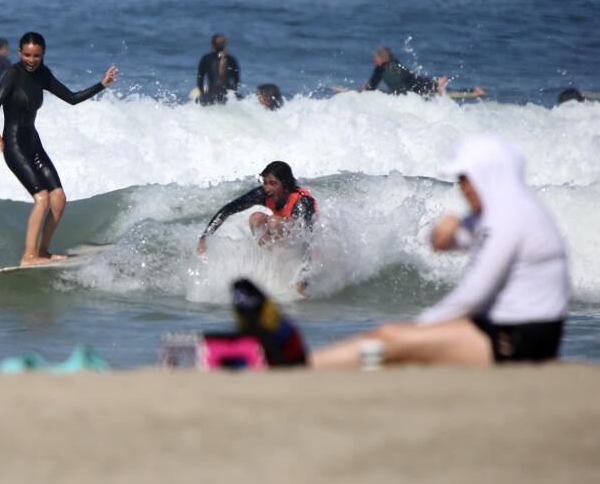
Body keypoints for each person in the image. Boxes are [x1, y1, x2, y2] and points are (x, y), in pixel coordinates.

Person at [311, 135, 569, 368]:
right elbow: (440, 243)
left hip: (519, 340)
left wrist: (417, 330)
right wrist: (443, 230)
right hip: (503, 329)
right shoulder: (503, 211)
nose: (463, 189)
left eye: (467, 179)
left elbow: (474, 294)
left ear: (488, 175)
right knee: (394, 340)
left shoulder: (510, 216)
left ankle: (306, 368)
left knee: (392, 339)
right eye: (460, 181)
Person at [0, 31, 119, 265]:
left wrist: (102, 84)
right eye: (27, 55)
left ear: (43, 55)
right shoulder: (13, 74)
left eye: (36, 55)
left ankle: (43, 251)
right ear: (20, 53)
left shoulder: (42, 75)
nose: (31, 60)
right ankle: (28, 256)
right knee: (42, 198)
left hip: (33, 142)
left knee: (58, 197)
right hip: (15, 144)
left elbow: (71, 97)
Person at [197, 161, 316, 254]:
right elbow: (229, 209)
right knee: (256, 218)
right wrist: (205, 236)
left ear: (285, 185)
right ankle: (269, 259)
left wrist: (303, 280)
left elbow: (308, 241)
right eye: (265, 183)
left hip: (309, 243)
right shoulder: (263, 194)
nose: (267, 188)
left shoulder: (302, 202)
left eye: (273, 184)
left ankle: (285, 262)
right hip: (285, 236)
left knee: (274, 222)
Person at [363, 46, 485, 98]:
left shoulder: (382, 69)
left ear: (381, 59)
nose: (373, 61)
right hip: (415, 82)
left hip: (414, 86)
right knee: (432, 87)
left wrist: (364, 90)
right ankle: (472, 90)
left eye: (375, 59)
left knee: (434, 89)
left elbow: (371, 86)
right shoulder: (393, 64)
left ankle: (471, 90)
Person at [196, 33, 240, 105]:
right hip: (228, 97)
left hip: (211, 95)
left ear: (212, 45)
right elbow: (237, 80)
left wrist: (202, 94)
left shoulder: (206, 58)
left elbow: (200, 78)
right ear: (225, 45)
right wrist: (234, 93)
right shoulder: (231, 60)